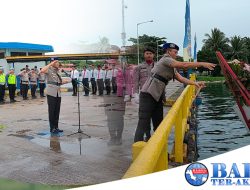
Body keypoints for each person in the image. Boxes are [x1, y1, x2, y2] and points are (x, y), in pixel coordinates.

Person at [134, 42, 216, 142]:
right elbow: (184, 65)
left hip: (158, 96)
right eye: (175, 52)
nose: (176, 54)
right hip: (148, 94)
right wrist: (202, 64)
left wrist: (195, 83)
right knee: (143, 122)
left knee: (158, 123)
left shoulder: (171, 66)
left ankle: (158, 149)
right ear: (168, 52)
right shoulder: (166, 59)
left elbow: (181, 78)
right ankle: (138, 144)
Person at [40, 59, 71, 133]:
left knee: (57, 111)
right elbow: (42, 70)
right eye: (56, 62)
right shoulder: (49, 69)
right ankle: (52, 128)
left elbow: (58, 82)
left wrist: (66, 82)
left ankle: (56, 127)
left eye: (58, 62)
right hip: (51, 92)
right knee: (52, 111)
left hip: (58, 93)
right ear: (53, 63)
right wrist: (51, 63)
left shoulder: (57, 71)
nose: (58, 64)